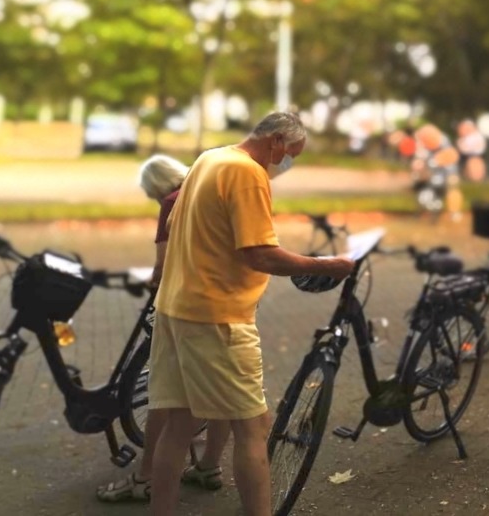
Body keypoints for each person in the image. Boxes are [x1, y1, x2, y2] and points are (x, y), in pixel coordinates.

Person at [148, 113, 354, 516]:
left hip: (175, 308)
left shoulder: (210, 159)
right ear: (276, 141)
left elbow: (177, 224)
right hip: (217, 317)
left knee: (177, 426)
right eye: (291, 154)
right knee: (253, 428)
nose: (286, 164)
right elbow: (260, 254)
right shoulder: (247, 173)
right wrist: (327, 265)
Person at [95, 156, 232, 503]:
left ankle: (146, 478)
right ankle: (209, 466)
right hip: (229, 307)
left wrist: (151, 281)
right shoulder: (215, 190)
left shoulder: (173, 203)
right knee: (224, 395)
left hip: (186, 310)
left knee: (165, 394)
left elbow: (163, 263)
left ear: (158, 187)